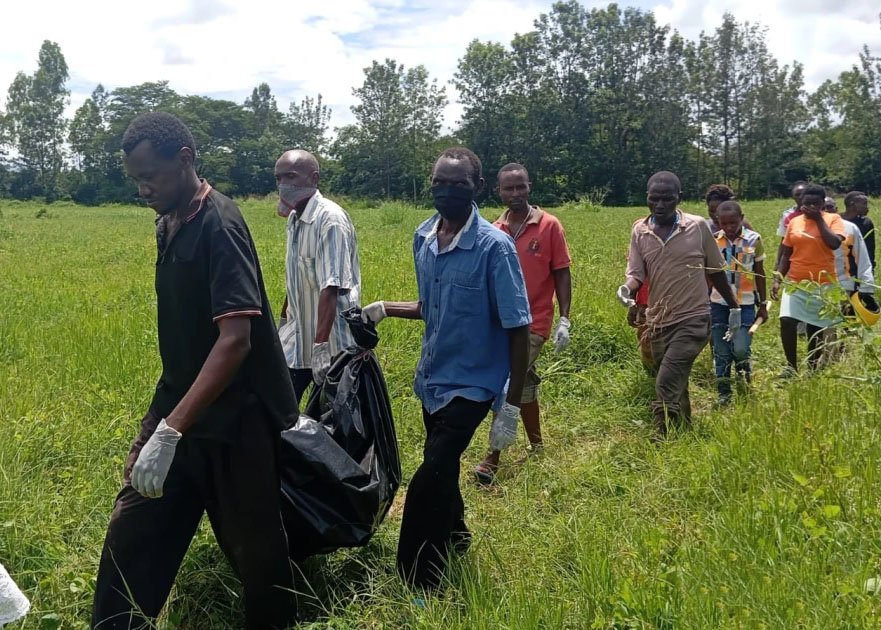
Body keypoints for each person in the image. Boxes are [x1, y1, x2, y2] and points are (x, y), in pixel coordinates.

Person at [92, 113, 297, 630]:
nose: (142, 189)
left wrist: (170, 431)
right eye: (135, 178)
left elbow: (236, 340)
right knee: (133, 530)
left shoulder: (219, 224)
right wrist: (164, 426)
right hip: (179, 405)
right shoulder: (170, 221)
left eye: (151, 177)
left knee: (254, 549)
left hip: (237, 420)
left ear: (184, 161)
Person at [361, 147, 531, 589]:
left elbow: (518, 327)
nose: (446, 191)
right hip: (432, 378)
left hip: (473, 384)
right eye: (440, 182)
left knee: (427, 480)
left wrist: (509, 408)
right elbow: (431, 306)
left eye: (458, 184)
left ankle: (420, 582)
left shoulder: (495, 247)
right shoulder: (423, 237)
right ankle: (457, 535)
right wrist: (385, 308)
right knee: (442, 466)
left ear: (476, 187)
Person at [618, 171, 740, 439]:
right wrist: (628, 289)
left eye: (667, 199)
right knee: (676, 378)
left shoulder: (697, 227)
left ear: (679, 198)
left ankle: (662, 434)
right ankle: (685, 431)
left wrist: (734, 307)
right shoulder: (640, 230)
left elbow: (715, 270)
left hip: (694, 317)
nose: (660, 205)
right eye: (654, 199)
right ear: (647, 199)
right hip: (659, 319)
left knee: (666, 378)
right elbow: (637, 273)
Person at [472, 163, 572, 483]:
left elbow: (562, 272)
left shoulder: (549, 226)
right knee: (524, 384)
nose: (515, 194)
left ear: (529, 187)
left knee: (506, 384)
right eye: (509, 188)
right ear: (498, 191)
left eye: (521, 187)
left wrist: (565, 319)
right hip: (499, 322)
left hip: (533, 323)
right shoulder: (493, 229)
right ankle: (538, 445)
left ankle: (493, 456)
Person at [275, 149, 361, 403]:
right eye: (278, 178)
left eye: (290, 177)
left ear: (313, 178)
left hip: (332, 344)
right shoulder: (294, 219)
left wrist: (321, 348)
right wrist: (282, 324)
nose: (283, 185)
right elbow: (296, 279)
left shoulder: (330, 220)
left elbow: (330, 287)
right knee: (280, 408)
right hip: (297, 338)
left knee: (331, 421)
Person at [771, 184, 846, 374]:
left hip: (823, 285)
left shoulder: (833, 219)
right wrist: (778, 279)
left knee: (815, 327)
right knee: (787, 320)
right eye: (806, 203)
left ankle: (812, 366)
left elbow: (834, 243)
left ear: (823, 203)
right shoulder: (795, 222)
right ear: (800, 203)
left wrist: (818, 219)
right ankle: (791, 367)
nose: (810, 207)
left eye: (815, 203)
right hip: (796, 283)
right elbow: (787, 253)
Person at [711, 201, 768, 405]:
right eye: (723, 223)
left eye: (733, 223)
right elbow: (708, 275)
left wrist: (763, 303)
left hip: (745, 303)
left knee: (741, 346)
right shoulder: (713, 241)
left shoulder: (754, 239)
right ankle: (724, 393)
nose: (728, 228)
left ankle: (744, 379)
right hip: (718, 303)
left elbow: (759, 273)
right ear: (718, 221)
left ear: (741, 218)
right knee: (722, 350)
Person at [774, 181, 807, 270]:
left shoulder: (817, 213)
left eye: (803, 194)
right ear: (793, 197)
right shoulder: (787, 215)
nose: (800, 197)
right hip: (793, 256)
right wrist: (778, 263)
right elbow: (783, 241)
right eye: (797, 195)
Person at [841, 191, 875, 270]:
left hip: (858, 266)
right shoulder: (837, 220)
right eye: (864, 204)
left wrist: (870, 268)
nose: (867, 207)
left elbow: (869, 248)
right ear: (852, 204)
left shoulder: (866, 223)